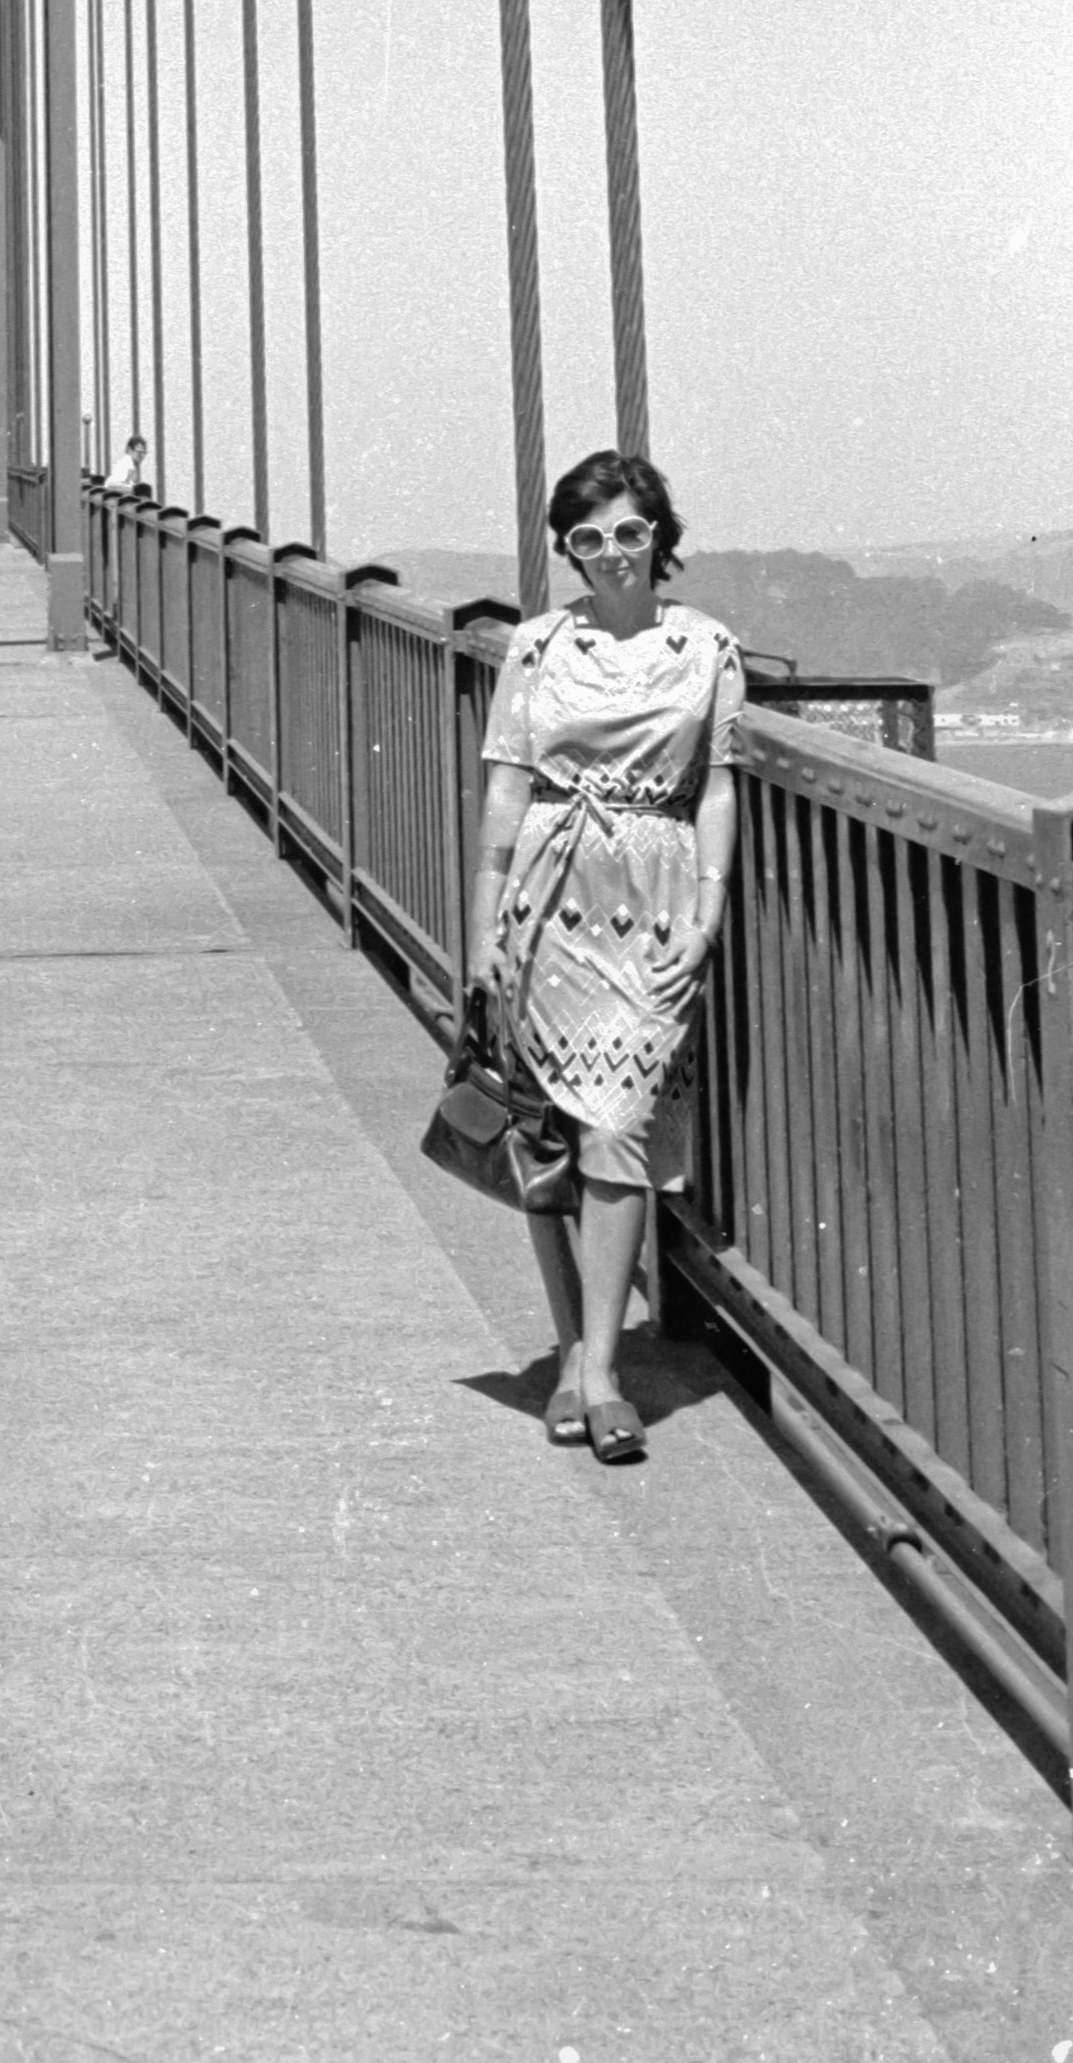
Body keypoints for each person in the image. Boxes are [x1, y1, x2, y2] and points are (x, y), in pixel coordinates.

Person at [463, 447, 742, 1466]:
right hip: (545, 897)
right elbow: (503, 789)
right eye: (588, 538)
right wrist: (480, 932)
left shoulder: (708, 645)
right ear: (567, 552)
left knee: (616, 1127)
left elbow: (716, 787)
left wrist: (707, 918)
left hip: (652, 899)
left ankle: (597, 1372)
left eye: (630, 531)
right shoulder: (536, 647)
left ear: (661, 534)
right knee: (546, 1138)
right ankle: (585, 1360)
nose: (613, 552)